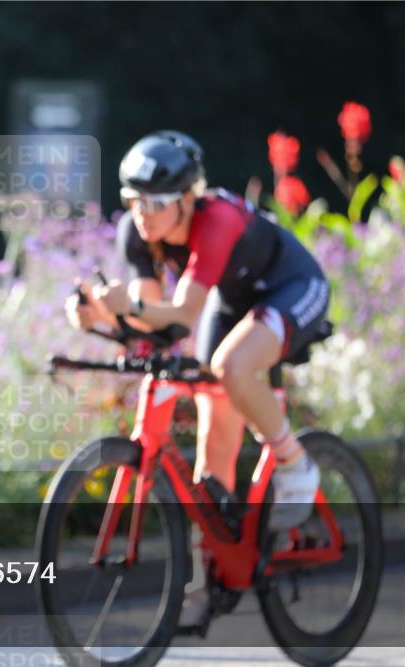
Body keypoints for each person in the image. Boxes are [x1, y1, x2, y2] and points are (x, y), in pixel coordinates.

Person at [65, 130, 329, 620]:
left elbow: (181, 313)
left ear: (188, 199)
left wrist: (131, 306)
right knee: (214, 440)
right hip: (229, 303)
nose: (142, 213)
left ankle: (296, 465)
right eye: (132, 200)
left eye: (156, 202)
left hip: (290, 286)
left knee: (232, 366)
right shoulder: (137, 233)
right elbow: (152, 324)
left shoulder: (217, 220)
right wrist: (100, 316)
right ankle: (209, 579)